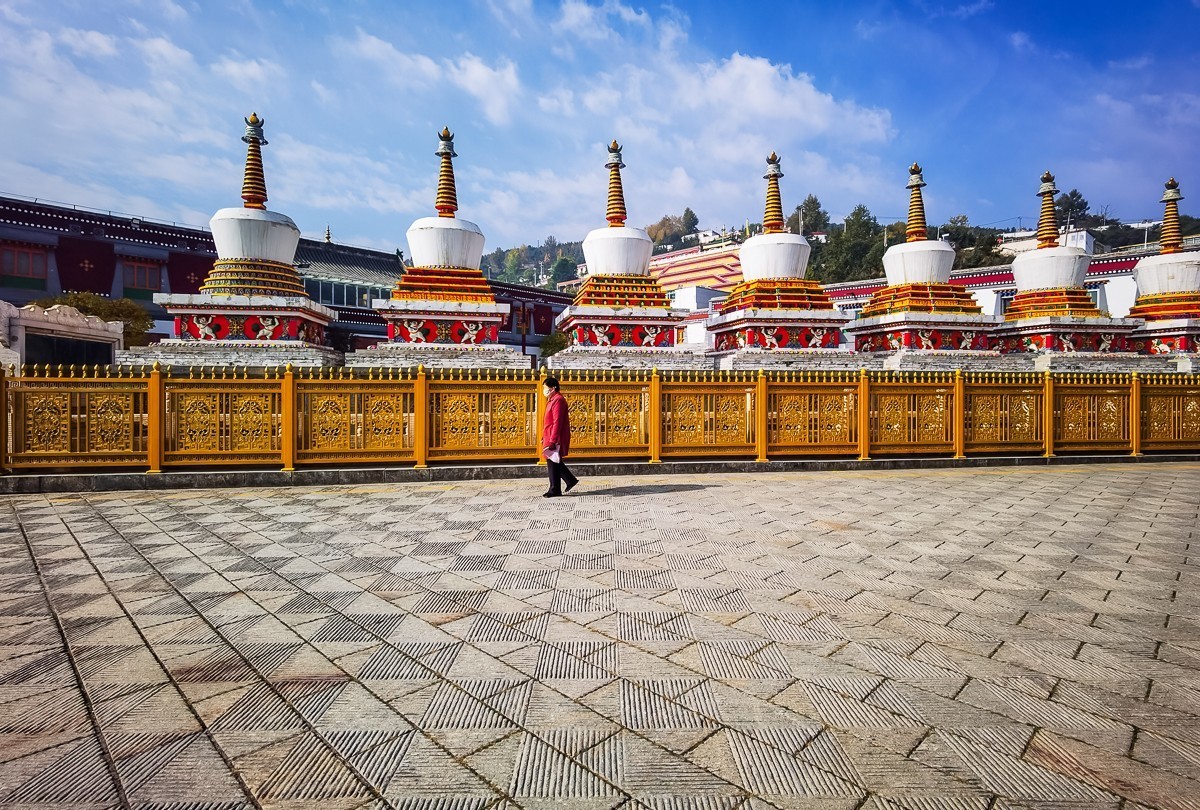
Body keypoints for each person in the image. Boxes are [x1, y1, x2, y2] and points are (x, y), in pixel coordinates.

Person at [541, 376, 578, 497]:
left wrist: (553, 440)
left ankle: (555, 488)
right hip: (549, 434)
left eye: (545, 388)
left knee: (552, 461)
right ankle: (569, 480)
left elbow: (557, 421)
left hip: (554, 435)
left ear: (553, 388)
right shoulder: (551, 400)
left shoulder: (558, 400)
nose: (544, 390)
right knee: (554, 460)